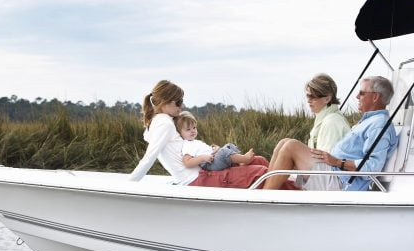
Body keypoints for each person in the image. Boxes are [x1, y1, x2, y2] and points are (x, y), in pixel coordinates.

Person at [263, 76, 398, 191]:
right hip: (335, 172)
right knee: (285, 142)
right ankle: (263, 191)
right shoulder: (370, 121)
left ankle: (263, 198)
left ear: (375, 97)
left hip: (341, 182)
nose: (357, 96)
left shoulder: (379, 125)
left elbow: (373, 168)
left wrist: (338, 162)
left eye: (362, 93)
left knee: (290, 146)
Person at [129, 80, 268, 187]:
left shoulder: (164, 121)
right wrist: (129, 183)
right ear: (165, 102)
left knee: (259, 160)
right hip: (199, 178)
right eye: (178, 102)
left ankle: (286, 183)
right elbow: (149, 157)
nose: (181, 106)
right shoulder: (164, 124)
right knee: (261, 171)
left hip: (205, 171)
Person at [174, 111, 258, 171]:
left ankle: (240, 162)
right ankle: (245, 159)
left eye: (194, 127)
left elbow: (204, 150)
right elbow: (187, 162)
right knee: (224, 152)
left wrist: (214, 149)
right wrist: (203, 158)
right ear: (180, 132)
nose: (192, 131)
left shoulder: (195, 142)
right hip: (210, 165)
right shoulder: (186, 145)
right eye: (188, 129)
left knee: (229, 145)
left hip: (214, 158)